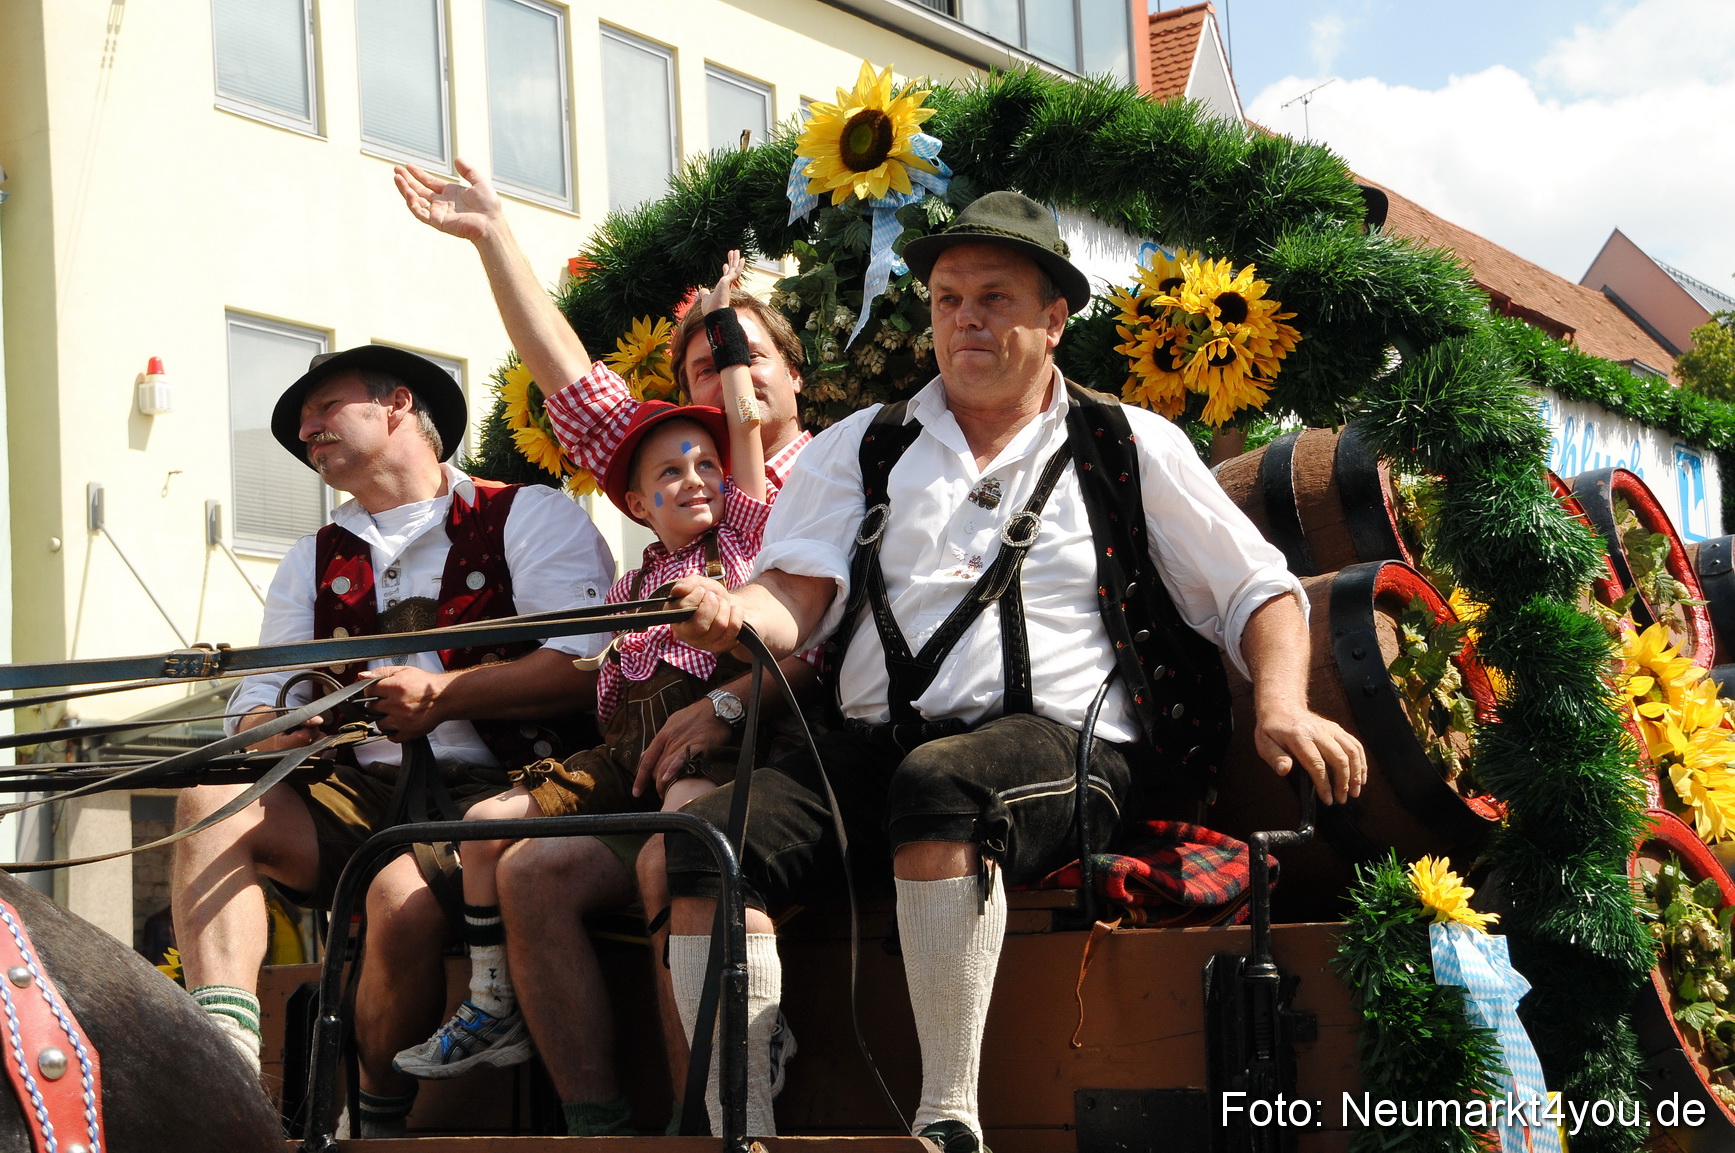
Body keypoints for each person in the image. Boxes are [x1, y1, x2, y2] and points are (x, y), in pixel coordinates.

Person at [661, 191, 1370, 1146]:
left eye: (995, 298)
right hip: (878, 748)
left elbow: (1259, 591)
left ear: (1052, 319)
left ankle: (949, 1118)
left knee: (942, 785)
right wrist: (731, 614)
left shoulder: (1126, 442)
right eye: (948, 298)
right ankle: (735, 1123)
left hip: (1066, 753)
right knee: (705, 841)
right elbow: (792, 594)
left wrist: (1279, 702)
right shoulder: (859, 447)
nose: (965, 319)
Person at [394, 160, 817, 1136]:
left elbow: (818, 628)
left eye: (746, 355)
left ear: (792, 374)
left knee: (683, 844)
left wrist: (723, 706)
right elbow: (574, 385)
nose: (729, 379)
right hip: (656, 753)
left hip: (792, 744)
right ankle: (598, 1121)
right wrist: (494, 234)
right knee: (528, 861)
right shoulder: (684, 477)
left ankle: (709, 1121)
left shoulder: (827, 470)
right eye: (706, 364)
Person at [170, 345, 615, 1138]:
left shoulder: (529, 511)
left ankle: (368, 1127)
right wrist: (270, 724)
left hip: (506, 784)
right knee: (211, 798)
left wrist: (447, 696)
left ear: (398, 404)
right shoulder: (309, 554)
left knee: (395, 898)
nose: (307, 433)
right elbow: (264, 687)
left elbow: (582, 664)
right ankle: (225, 1064)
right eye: (302, 427)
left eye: (323, 410)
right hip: (357, 792)